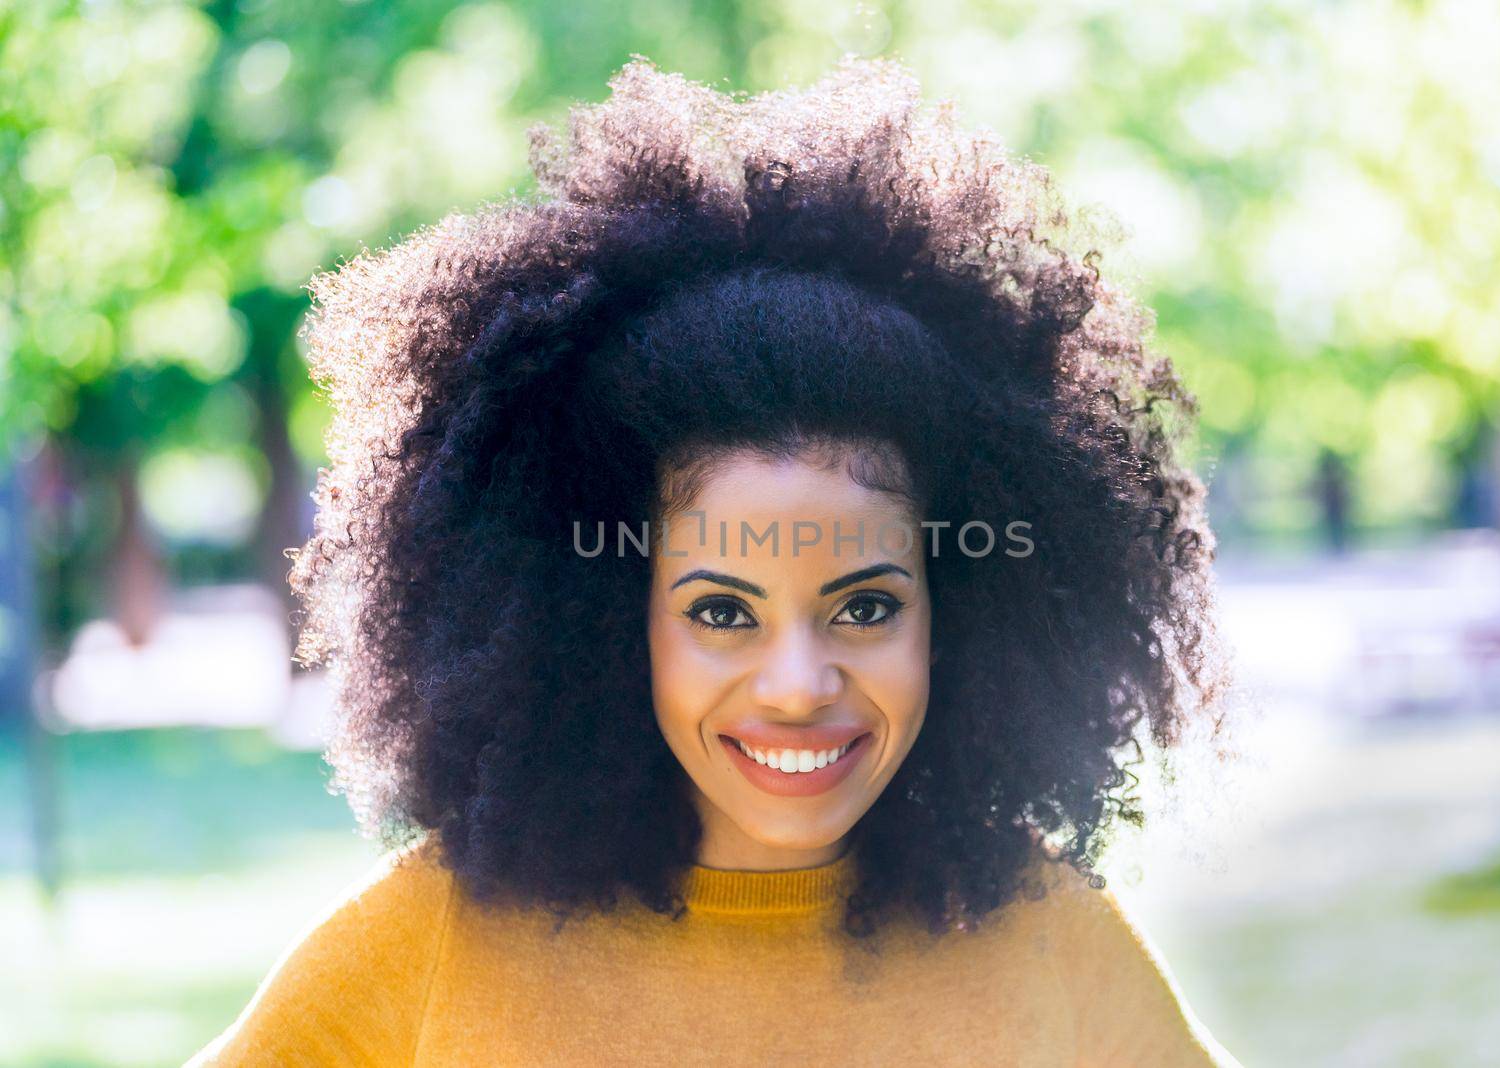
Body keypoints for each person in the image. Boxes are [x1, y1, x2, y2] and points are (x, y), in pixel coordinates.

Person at [186, 55, 1240, 1066]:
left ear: (958, 613)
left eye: (865, 608)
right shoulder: (429, 945)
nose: (797, 687)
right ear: (601, 623)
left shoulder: (1045, 937)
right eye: (724, 613)